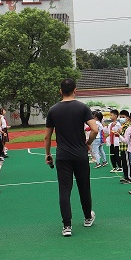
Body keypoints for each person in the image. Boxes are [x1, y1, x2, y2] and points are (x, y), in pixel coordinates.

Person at [44, 77, 98, 237]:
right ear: (75, 90)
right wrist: (88, 142)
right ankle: (88, 217)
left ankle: (67, 225)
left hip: (63, 155)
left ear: (60, 91)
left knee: (64, 190)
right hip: (80, 154)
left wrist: (48, 154)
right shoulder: (82, 108)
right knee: (84, 187)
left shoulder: (53, 110)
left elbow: (47, 137)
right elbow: (94, 129)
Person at [115, 110, 131, 184]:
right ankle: (126, 176)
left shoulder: (127, 126)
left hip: (126, 147)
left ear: (127, 118)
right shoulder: (123, 126)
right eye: (120, 117)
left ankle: (129, 178)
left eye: (123, 117)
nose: (121, 118)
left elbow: (126, 137)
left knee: (127, 163)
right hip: (122, 146)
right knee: (124, 163)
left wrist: (119, 133)